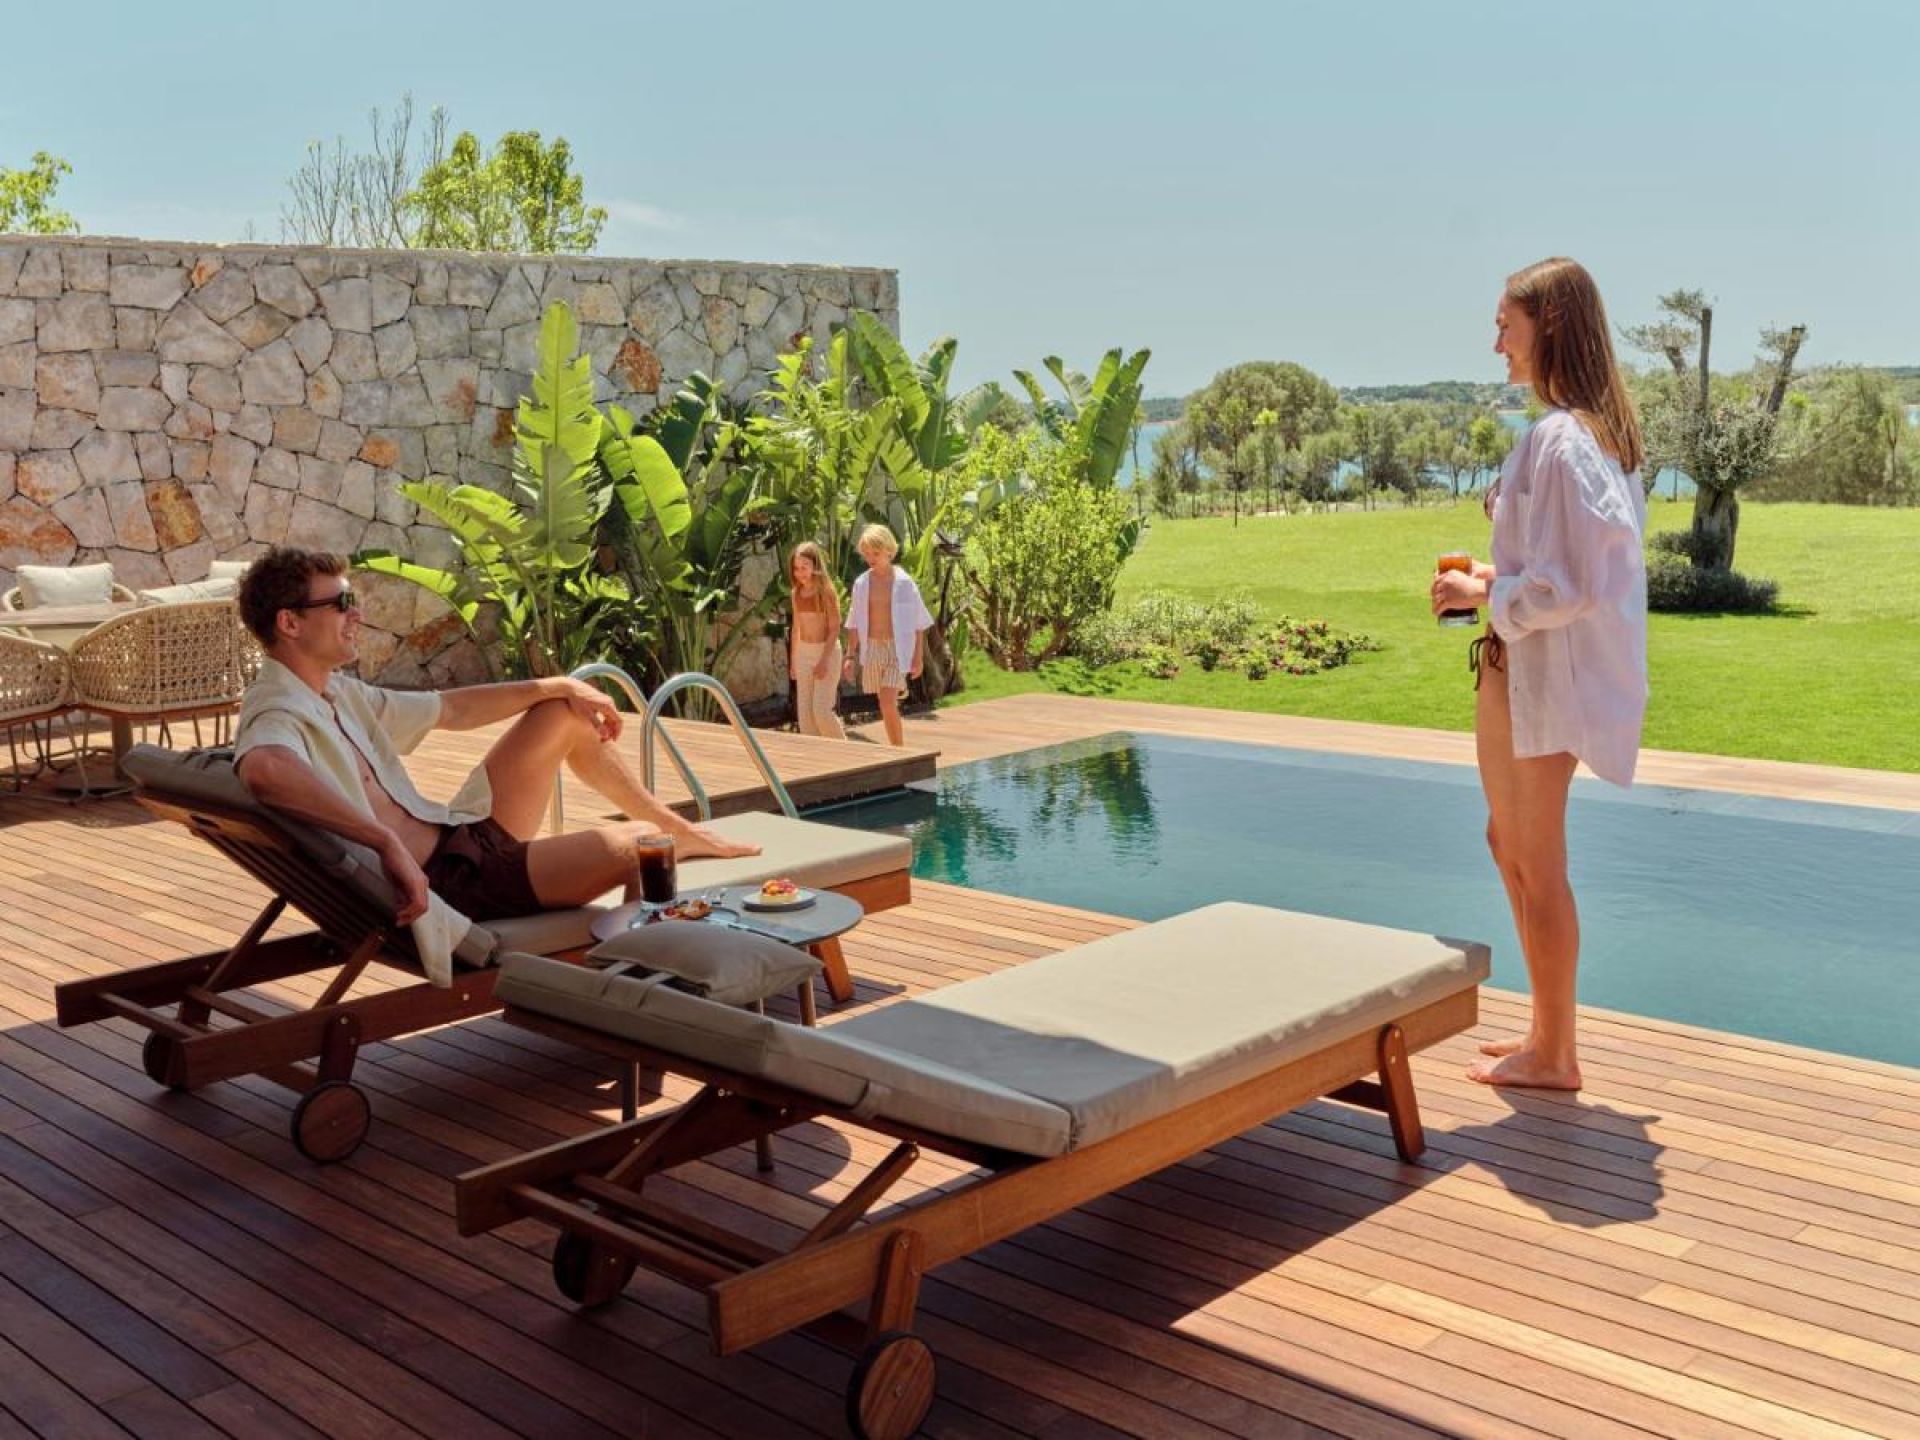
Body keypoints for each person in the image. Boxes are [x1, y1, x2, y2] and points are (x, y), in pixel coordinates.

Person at [230, 547, 759, 973]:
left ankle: (681, 830)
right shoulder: (277, 708)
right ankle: (641, 988)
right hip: (452, 886)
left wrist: (558, 685)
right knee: (642, 844)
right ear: (290, 623)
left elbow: (451, 709)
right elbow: (263, 769)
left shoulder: (334, 692)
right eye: (342, 602)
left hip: (458, 839)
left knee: (562, 713)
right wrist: (384, 841)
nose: (357, 614)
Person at [1429, 257, 1648, 1091]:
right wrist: (1492, 580)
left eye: (1505, 327)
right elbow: (1559, 566)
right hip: (1517, 668)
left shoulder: (1563, 440)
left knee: (1535, 858)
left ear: (1547, 327)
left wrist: (1487, 594)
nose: (1497, 345)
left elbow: (1575, 585)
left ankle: (1555, 1054)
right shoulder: (1580, 435)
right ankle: (1543, 1032)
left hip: (1540, 679)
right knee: (1508, 844)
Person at [844, 524, 933, 748]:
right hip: (873, 648)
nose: (870, 558)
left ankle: (898, 751)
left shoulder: (905, 583)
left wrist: (918, 657)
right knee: (884, 702)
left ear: (889, 551)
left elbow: (918, 622)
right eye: (866, 554)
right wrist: (850, 656)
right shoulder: (861, 584)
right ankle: (897, 747)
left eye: (875, 553)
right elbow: (853, 622)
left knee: (886, 700)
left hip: (897, 649)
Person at [786, 541, 847, 740]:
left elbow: (835, 628)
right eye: (796, 568)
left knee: (821, 712)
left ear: (815, 566)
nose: (800, 572)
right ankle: (817, 755)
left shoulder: (826, 592)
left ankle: (845, 749)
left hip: (826, 653)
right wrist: (794, 661)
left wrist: (823, 661)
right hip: (804, 654)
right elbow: (796, 628)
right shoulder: (796, 594)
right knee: (805, 717)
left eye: (804, 567)